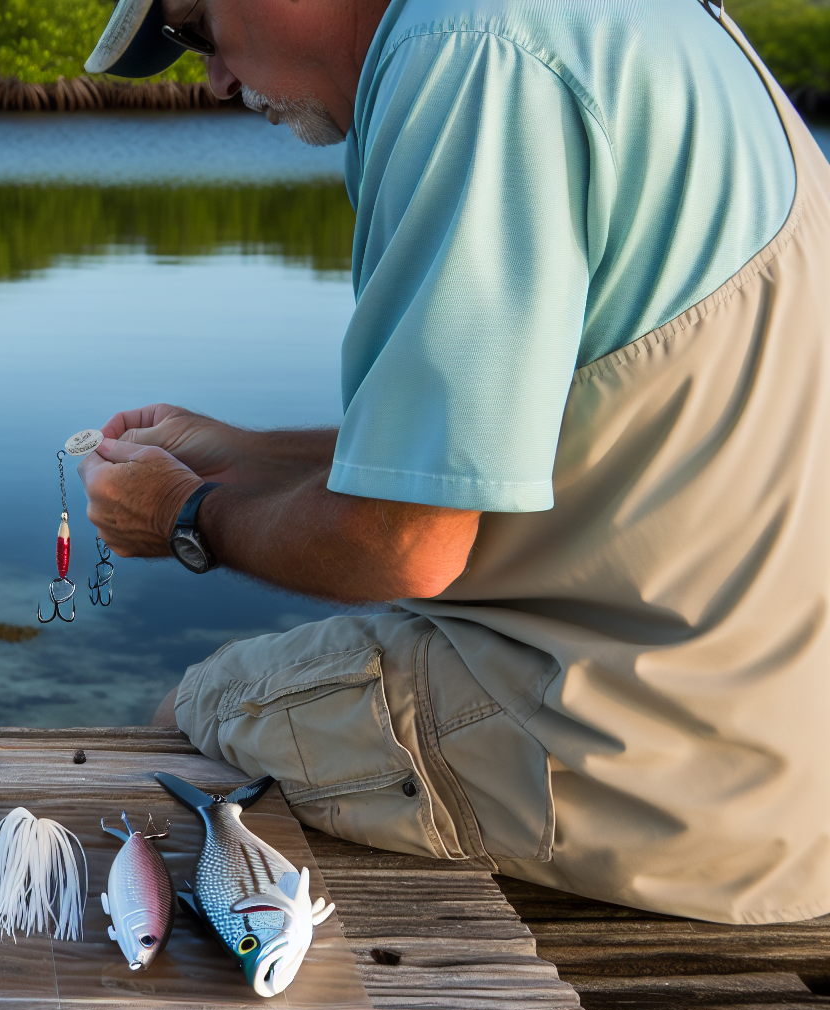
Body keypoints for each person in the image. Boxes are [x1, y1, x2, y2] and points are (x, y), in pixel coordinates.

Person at [79, 0, 830, 925]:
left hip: (665, 772)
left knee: (190, 718)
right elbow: (513, 447)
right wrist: (246, 457)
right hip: (781, 747)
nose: (217, 80)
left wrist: (186, 520)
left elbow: (403, 543)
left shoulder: (465, 54)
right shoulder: (611, 22)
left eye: (197, 30)